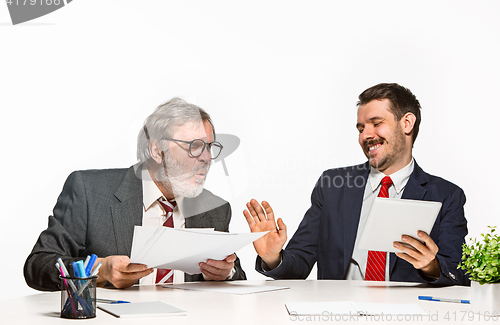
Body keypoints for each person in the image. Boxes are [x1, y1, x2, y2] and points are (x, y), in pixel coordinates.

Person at [244, 83, 468, 286]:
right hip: (340, 313)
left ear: (407, 123)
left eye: (376, 123)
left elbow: (459, 274)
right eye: (361, 128)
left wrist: (430, 265)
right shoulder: (332, 186)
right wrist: (273, 257)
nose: (366, 135)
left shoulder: (447, 195)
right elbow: (299, 264)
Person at [25, 98, 246, 291]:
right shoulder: (89, 191)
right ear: (157, 151)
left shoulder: (216, 209)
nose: (207, 157)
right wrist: (99, 272)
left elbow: (236, 276)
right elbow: (38, 265)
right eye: (195, 146)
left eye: (209, 146)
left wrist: (225, 273)